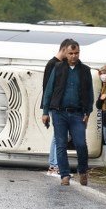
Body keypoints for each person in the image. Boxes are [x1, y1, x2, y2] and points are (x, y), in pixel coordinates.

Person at [41, 41, 94, 186]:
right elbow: (49, 90)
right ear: (66, 53)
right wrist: (45, 112)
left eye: (76, 53)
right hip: (59, 112)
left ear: (79, 52)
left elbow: (90, 93)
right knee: (61, 143)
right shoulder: (57, 68)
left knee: (80, 144)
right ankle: (64, 174)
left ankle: (82, 170)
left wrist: (88, 111)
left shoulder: (85, 70)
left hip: (77, 113)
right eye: (71, 53)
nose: (73, 56)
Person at [42, 39, 77, 176]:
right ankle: (54, 166)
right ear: (64, 50)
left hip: (57, 105)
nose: (71, 56)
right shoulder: (54, 64)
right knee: (59, 136)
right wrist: (48, 108)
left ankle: (55, 165)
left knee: (59, 135)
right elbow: (48, 87)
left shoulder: (57, 63)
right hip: (55, 105)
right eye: (69, 52)